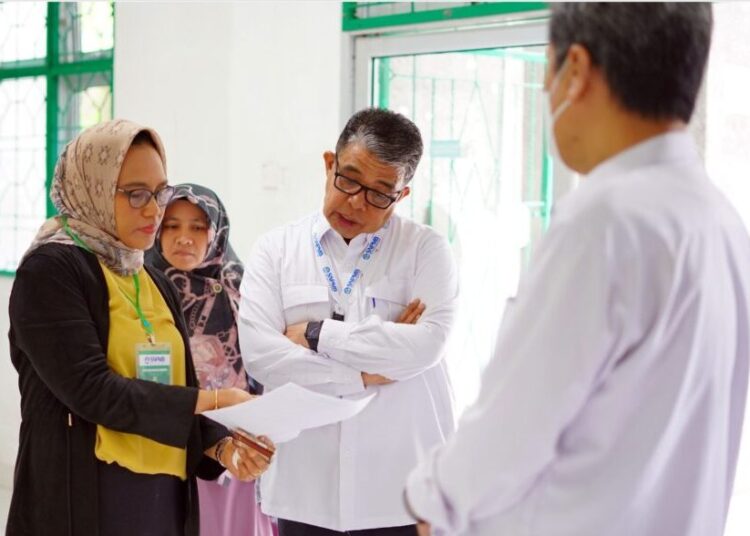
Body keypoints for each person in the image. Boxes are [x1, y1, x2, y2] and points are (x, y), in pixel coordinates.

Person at [404, 4, 750, 536]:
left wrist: (430, 498)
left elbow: (508, 435)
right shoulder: (722, 221)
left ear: (576, 71)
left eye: (546, 69)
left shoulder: (605, 221)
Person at [7, 119, 272, 536]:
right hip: (92, 497)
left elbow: (165, 389)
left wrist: (220, 447)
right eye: (135, 194)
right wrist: (215, 399)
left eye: (158, 193)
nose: (154, 210)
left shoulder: (152, 278)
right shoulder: (52, 271)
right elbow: (93, 391)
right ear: (91, 188)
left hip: (162, 495)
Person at [238, 108, 459, 535]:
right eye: (349, 179)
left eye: (380, 192)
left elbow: (428, 346)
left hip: (398, 496)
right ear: (329, 164)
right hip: (305, 490)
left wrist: (316, 334)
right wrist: (364, 371)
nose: (357, 201)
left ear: (402, 195)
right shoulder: (276, 250)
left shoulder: (426, 252)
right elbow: (262, 357)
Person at [146, 183, 276, 536]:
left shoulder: (242, 286)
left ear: (216, 231)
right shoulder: (140, 288)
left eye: (197, 226)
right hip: (168, 439)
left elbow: (269, 353)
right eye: (171, 225)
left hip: (238, 442)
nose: (183, 237)